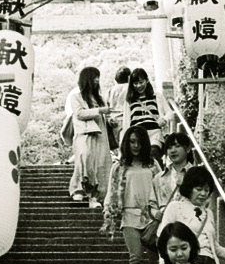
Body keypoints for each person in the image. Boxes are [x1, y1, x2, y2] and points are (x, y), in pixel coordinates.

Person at [103, 126, 162, 264]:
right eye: (132, 141)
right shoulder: (119, 167)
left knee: (155, 258)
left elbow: (162, 187)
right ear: (126, 144)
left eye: (139, 142)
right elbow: (111, 191)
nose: (135, 145)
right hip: (129, 215)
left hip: (151, 216)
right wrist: (108, 210)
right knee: (135, 256)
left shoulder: (152, 165)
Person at [157, 165, 225, 264]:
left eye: (207, 190)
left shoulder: (208, 214)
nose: (203, 194)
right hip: (187, 263)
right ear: (189, 188)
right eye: (199, 189)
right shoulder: (175, 207)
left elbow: (214, 247)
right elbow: (163, 240)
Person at [66, 65, 112, 208]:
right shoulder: (76, 97)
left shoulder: (101, 99)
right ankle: (77, 190)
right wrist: (99, 110)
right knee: (84, 159)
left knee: (100, 165)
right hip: (83, 135)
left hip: (100, 136)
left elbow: (106, 117)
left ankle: (95, 197)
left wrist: (111, 121)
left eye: (98, 77)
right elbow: (79, 114)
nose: (97, 80)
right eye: (94, 77)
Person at [123, 67, 163, 156]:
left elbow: (169, 114)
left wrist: (164, 119)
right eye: (135, 83)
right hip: (137, 136)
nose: (139, 86)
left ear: (147, 80)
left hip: (154, 134)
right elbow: (126, 123)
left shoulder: (156, 96)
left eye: (141, 82)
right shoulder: (130, 100)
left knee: (153, 153)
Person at [154, 130, 193, 209]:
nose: (173, 150)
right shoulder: (159, 178)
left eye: (177, 146)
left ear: (188, 149)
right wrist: (156, 214)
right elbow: (152, 204)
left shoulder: (198, 176)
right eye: (169, 148)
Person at [106, 65, 132, 147]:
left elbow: (106, 105)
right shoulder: (130, 88)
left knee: (120, 144)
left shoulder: (110, 90)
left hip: (114, 120)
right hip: (127, 119)